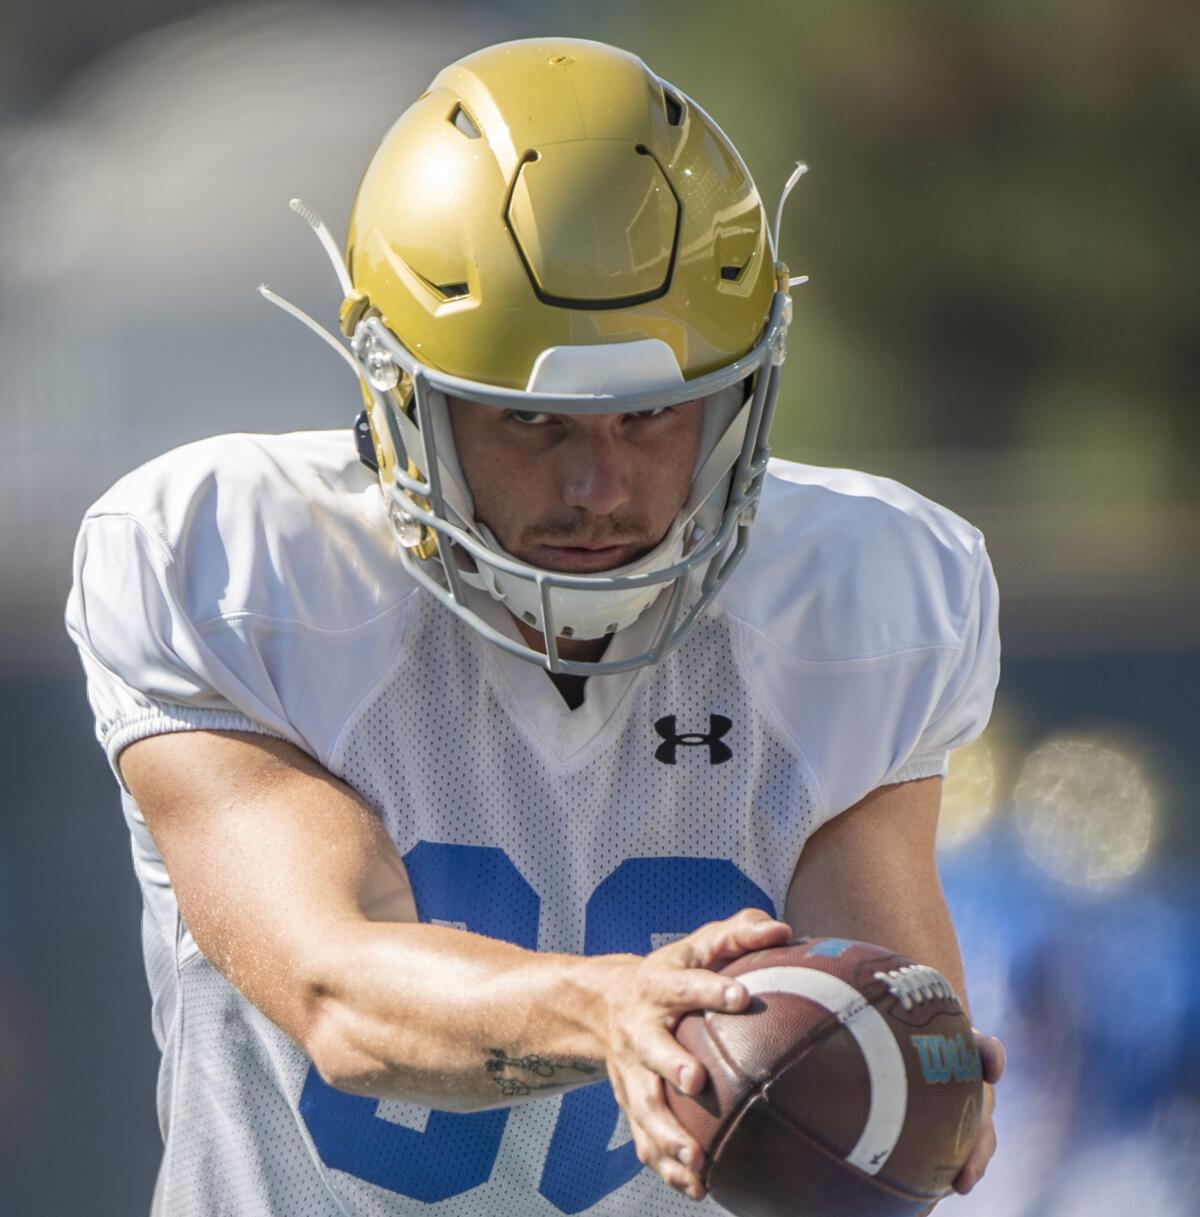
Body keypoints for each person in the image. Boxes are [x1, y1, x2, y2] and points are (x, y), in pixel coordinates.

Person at [65, 36, 1003, 1217]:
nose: (600, 487)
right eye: (530, 421)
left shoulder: (866, 597)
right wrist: (611, 1008)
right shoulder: (229, 567)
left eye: (654, 415)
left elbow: (863, 986)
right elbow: (337, 989)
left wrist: (904, 1069)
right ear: (401, 392)